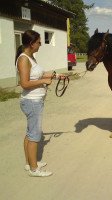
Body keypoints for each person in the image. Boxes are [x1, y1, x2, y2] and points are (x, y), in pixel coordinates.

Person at [16, 30, 64, 177]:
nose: (40, 45)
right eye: (38, 42)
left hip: (34, 101)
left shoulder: (30, 58)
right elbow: (24, 83)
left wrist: (55, 75)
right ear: (31, 44)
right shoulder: (24, 59)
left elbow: (38, 74)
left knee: (30, 132)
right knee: (34, 135)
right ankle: (34, 169)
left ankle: (29, 162)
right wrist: (43, 82)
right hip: (32, 102)